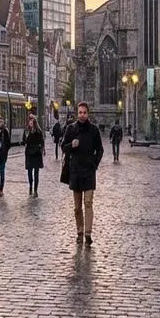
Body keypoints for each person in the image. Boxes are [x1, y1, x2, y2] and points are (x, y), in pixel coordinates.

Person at [61, 102, 104, 246]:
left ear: (88, 113)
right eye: (80, 112)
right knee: (77, 206)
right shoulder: (71, 129)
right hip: (76, 172)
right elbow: (63, 147)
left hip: (89, 172)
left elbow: (100, 149)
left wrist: (94, 164)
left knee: (88, 202)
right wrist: (71, 145)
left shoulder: (94, 130)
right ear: (77, 113)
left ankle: (88, 233)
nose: (82, 115)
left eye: (84, 112)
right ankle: (79, 232)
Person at [22, 114, 45, 197]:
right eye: (29, 122)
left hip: (36, 155)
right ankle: (30, 187)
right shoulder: (27, 131)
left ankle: (35, 190)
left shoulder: (38, 131)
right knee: (29, 173)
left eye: (32, 122)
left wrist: (40, 149)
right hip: (29, 154)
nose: (30, 123)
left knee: (36, 173)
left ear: (34, 123)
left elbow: (41, 142)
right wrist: (24, 141)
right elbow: (24, 141)